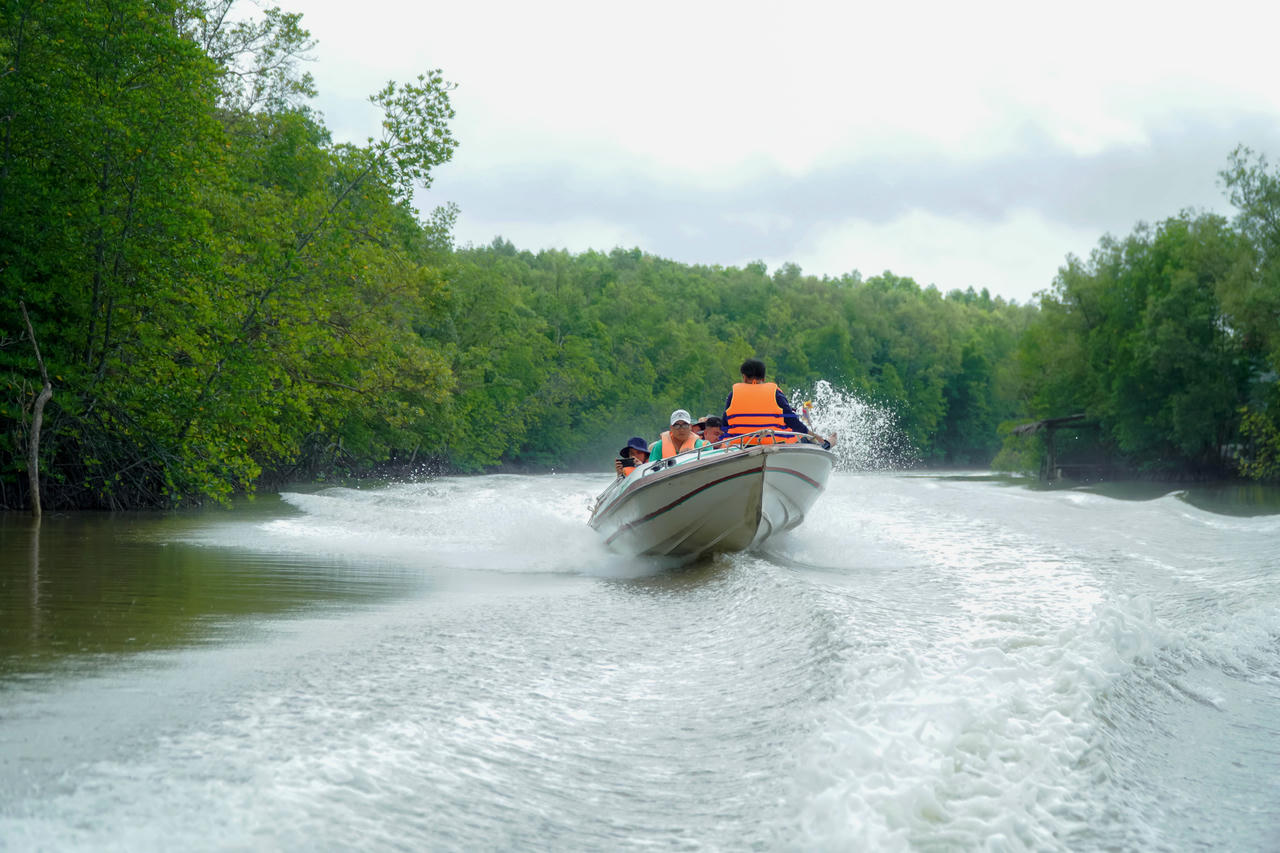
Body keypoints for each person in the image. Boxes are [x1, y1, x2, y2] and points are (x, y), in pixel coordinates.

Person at [722, 358, 833, 447]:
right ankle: (826, 443)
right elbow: (792, 421)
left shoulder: (733, 395)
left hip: (740, 445)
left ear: (744, 377)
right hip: (774, 444)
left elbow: (725, 424)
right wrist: (815, 437)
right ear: (764, 378)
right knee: (802, 438)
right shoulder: (775, 393)